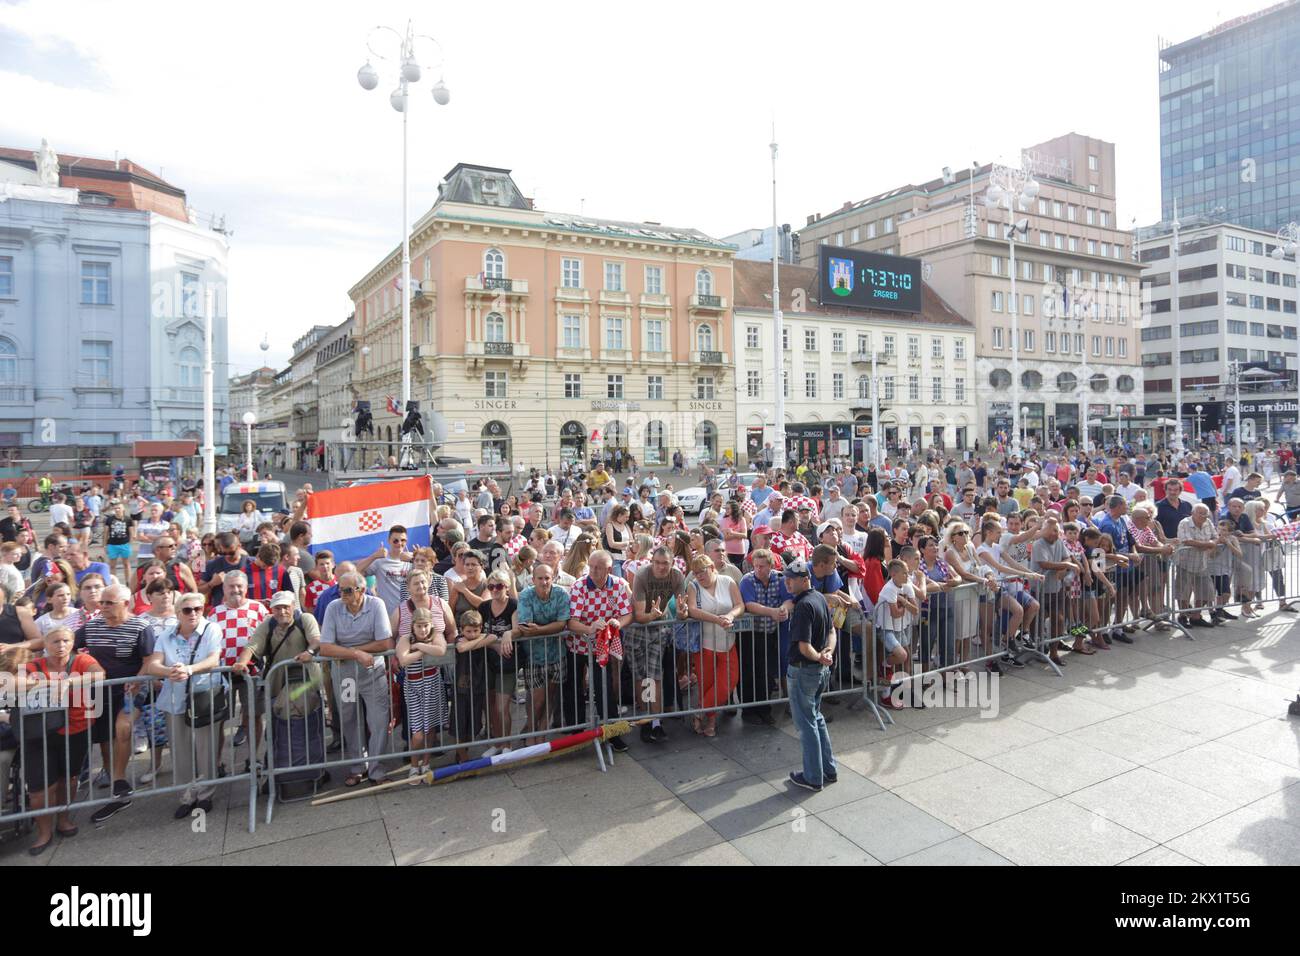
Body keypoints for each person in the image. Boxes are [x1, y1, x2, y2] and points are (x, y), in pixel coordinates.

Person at [75, 584, 158, 825]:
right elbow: (67, 644)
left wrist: (137, 682)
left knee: (122, 728)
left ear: (125, 603)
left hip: (131, 690)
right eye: (102, 602)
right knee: (104, 739)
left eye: (108, 603)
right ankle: (117, 788)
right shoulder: (92, 626)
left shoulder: (141, 627)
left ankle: (120, 781)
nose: (102, 606)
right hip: (99, 691)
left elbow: (149, 659)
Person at [21, 628, 103, 855]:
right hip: (39, 733)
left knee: (69, 779)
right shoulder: (34, 665)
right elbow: (16, 683)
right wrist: (49, 685)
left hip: (75, 729)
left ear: (73, 642)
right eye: (55, 641)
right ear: (45, 643)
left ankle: (63, 819)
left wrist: (67, 681)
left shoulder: (82, 659)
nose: (61, 645)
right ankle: (43, 832)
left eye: (66, 640)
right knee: (39, 788)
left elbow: (99, 674)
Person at [145, 592, 226, 820]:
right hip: (174, 698)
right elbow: (153, 665)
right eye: (188, 610)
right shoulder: (165, 635)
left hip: (203, 696)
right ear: (178, 612)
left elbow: (213, 659)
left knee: (205, 748)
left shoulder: (211, 629)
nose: (194, 614)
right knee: (180, 750)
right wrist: (169, 672)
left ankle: (205, 794)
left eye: (198, 609)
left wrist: (189, 670)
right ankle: (187, 796)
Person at [319, 571, 394, 786]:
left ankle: (377, 769)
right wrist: (357, 654)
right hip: (346, 676)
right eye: (340, 589)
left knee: (379, 719)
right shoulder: (334, 607)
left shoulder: (376, 604)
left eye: (348, 590)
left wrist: (348, 650)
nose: (342, 594)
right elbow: (325, 647)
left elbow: (384, 643)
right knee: (350, 718)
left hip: (372, 674)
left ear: (361, 590)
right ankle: (357, 766)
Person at [783, 558, 836, 792]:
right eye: (786, 578)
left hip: (805, 671)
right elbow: (832, 631)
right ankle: (828, 769)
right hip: (818, 670)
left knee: (807, 725)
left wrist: (820, 656)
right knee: (816, 718)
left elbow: (804, 647)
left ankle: (814, 777)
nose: (788, 583)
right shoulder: (819, 599)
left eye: (792, 579)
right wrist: (827, 653)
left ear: (805, 580)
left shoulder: (804, 605)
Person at [684, 553, 743, 737]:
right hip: (705, 644)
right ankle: (710, 721)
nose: (699, 576)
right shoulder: (693, 586)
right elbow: (693, 610)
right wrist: (717, 619)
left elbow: (740, 604)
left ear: (712, 568)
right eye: (695, 573)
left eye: (702, 572)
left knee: (729, 680)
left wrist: (731, 615)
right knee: (706, 684)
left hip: (728, 642)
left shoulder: (728, 581)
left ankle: (699, 711)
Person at [514, 562, 570, 746]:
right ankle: (531, 729)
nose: (544, 582)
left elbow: (562, 623)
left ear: (553, 578)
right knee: (537, 698)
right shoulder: (526, 595)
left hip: (557, 654)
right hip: (534, 656)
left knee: (551, 696)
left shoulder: (561, 593)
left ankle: (542, 731)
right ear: (533, 580)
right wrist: (547, 629)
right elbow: (525, 626)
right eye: (540, 578)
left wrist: (539, 629)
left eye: (547, 578)